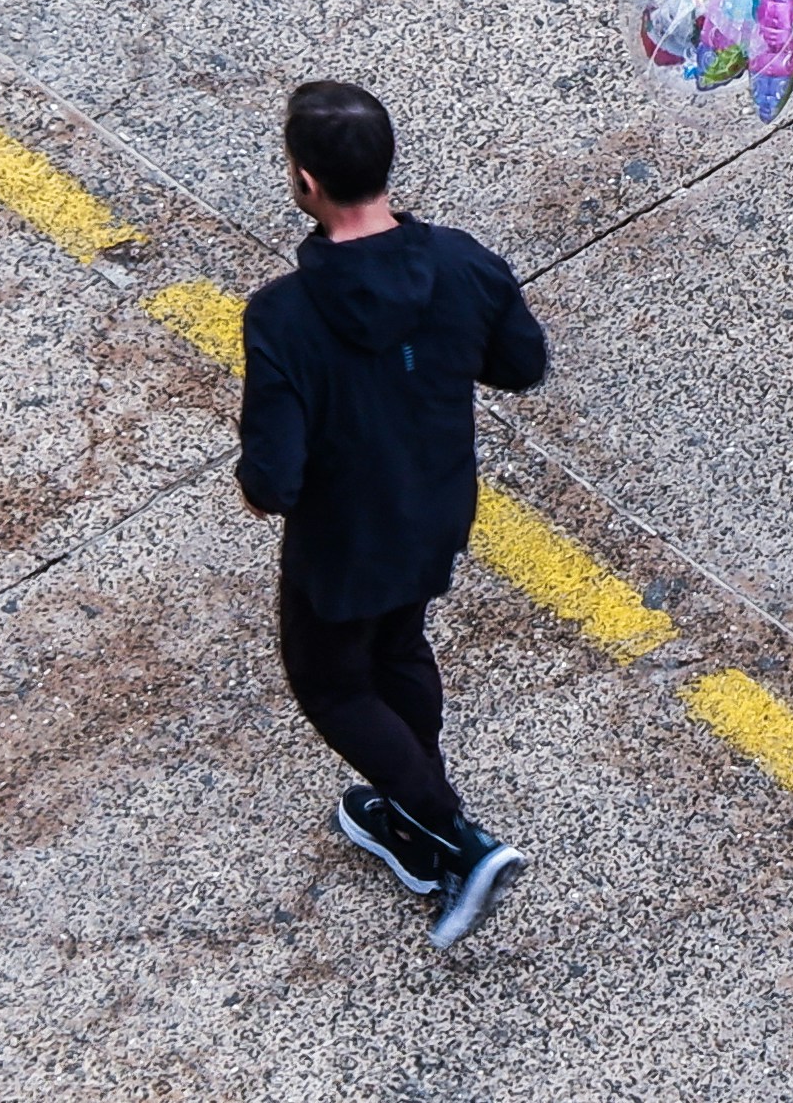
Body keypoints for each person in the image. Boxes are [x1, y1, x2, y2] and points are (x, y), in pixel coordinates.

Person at [233, 79, 548, 948]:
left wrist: (256, 486)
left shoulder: (283, 316)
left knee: (331, 681)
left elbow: (275, 479)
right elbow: (521, 366)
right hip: (436, 507)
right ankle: (408, 825)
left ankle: (457, 835)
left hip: (344, 544)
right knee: (400, 645)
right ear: (385, 166)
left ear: (304, 181)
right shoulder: (463, 263)